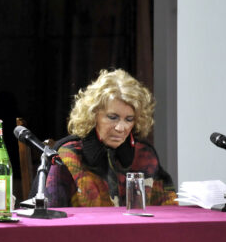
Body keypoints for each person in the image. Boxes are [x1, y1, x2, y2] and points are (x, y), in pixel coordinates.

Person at [45, 69, 177, 207]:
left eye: (129, 119)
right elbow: (50, 218)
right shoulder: (68, 155)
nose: (121, 128)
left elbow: (169, 211)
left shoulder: (145, 155)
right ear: (93, 114)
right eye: (112, 117)